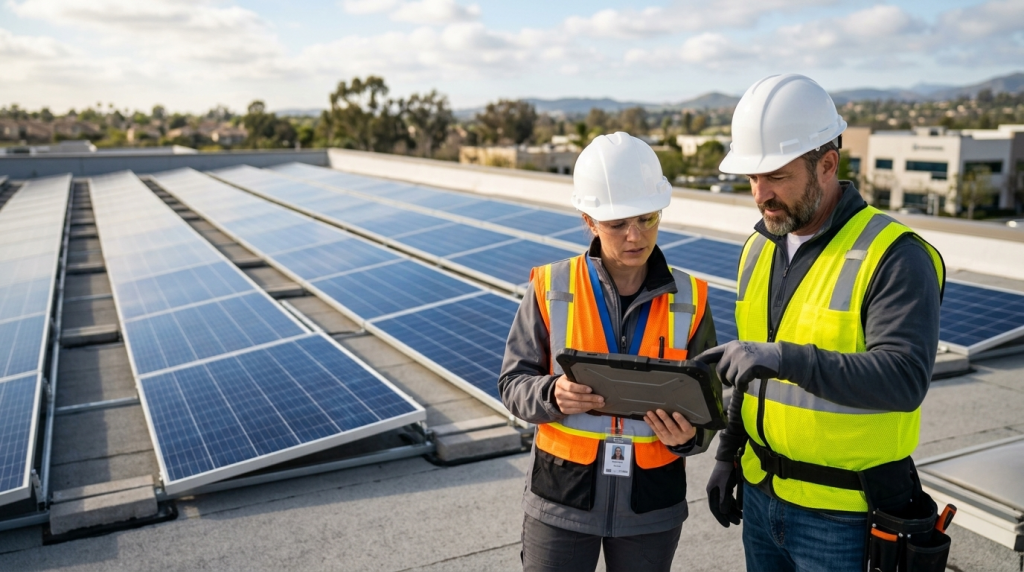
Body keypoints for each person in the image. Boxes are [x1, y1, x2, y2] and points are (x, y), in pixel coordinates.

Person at [697, 74, 945, 572]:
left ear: (826, 164)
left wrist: (784, 359)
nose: (760, 194)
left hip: (845, 518)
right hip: (763, 500)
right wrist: (728, 454)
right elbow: (752, 375)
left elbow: (903, 380)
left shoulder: (893, 255)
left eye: (777, 177)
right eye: (751, 178)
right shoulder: (757, 249)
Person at [499, 132, 719, 572]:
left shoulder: (690, 297)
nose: (635, 236)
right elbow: (512, 384)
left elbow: (714, 401)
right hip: (562, 499)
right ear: (589, 221)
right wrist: (552, 394)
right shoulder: (550, 287)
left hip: (651, 504)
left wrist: (692, 437)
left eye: (648, 218)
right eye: (618, 224)